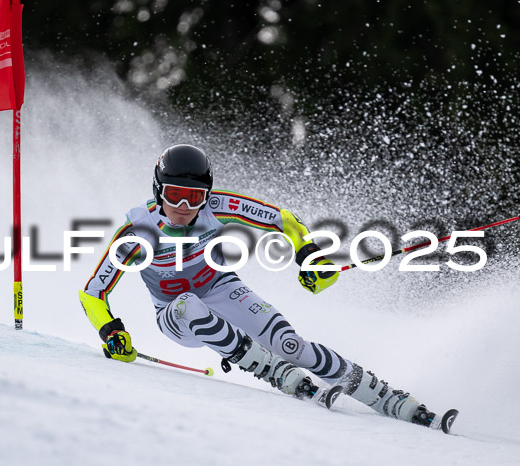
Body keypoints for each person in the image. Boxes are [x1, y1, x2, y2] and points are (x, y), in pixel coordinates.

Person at [79, 144, 438, 427]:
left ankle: (385, 396)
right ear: (159, 191)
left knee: (290, 344)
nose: (185, 206)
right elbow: (93, 292)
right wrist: (111, 332)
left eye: (195, 196)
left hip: (221, 287)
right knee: (189, 303)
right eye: (175, 195)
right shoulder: (139, 233)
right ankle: (269, 369)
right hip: (175, 314)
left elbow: (281, 218)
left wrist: (307, 253)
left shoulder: (216, 207)